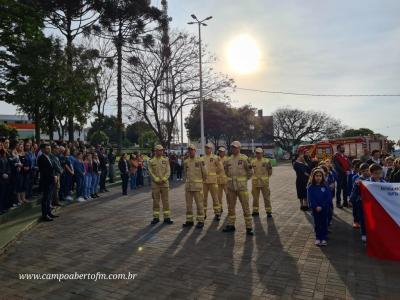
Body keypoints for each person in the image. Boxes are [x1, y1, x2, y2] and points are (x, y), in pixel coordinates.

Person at [222, 141, 254, 235]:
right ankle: (231, 225)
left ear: (239, 148)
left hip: (242, 188)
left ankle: (249, 227)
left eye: (235, 147)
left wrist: (244, 181)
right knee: (231, 207)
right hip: (231, 187)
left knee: (246, 207)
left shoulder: (244, 158)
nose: (233, 149)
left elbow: (250, 172)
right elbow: (226, 171)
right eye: (232, 147)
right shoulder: (228, 160)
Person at [182, 144, 207, 228]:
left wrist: (201, 182)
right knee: (188, 205)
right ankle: (189, 220)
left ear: (195, 151)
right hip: (188, 187)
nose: (190, 151)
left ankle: (201, 221)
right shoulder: (186, 161)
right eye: (189, 150)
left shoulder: (200, 160)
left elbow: (205, 173)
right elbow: (185, 173)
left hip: (197, 187)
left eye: (192, 150)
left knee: (199, 204)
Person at [148, 145, 172, 225]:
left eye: (161, 150)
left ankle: (167, 217)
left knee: (166, 201)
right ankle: (156, 217)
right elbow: (150, 172)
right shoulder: (151, 161)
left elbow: (168, 171)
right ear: (155, 151)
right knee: (156, 201)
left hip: (165, 184)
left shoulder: (166, 160)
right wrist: (156, 179)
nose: (160, 152)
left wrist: (164, 179)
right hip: (155, 184)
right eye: (158, 150)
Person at [307, 168, 331, 247]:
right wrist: (316, 206)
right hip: (315, 209)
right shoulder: (311, 187)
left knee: (324, 223)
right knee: (317, 223)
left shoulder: (325, 186)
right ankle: (318, 237)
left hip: (324, 208)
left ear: (322, 177)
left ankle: (323, 238)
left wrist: (322, 206)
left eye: (320, 176)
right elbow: (311, 198)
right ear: (313, 177)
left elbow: (328, 197)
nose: (318, 177)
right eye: (316, 176)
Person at [37, 144, 58, 221]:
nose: (49, 150)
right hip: (46, 181)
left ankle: (49, 213)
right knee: (45, 198)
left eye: (49, 148)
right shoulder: (41, 158)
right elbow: (44, 171)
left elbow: (52, 168)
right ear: (42, 149)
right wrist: (53, 176)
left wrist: (54, 175)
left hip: (51, 180)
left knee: (49, 198)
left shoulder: (49, 157)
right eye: (47, 148)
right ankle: (44, 215)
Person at [350, 163, 370, 243]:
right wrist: (351, 199)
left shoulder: (372, 180)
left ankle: (369, 232)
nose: (366, 172)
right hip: (360, 202)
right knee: (362, 218)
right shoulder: (358, 180)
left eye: (367, 170)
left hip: (370, 203)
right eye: (364, 171)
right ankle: (363, 234)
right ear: (360, 171)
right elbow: (354, 191)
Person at [202, 143, 223, 221]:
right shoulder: (202, 158)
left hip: (213, 181)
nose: (207, 149)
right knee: (203, 199)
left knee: (215, 198)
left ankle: (217, 213)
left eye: (208, 148)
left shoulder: (216, 157)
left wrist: (214, 174)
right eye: (206, 148)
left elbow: (220, 168)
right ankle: (203, 213)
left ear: (211, 149)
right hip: (204, 182)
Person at [251, 147, 273, 218]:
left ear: (262, 153)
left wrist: (266, 178)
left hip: (264, 183)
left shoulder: (267, 161)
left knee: (266, 197)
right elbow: (251, 171)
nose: (258, 154)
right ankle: (255, 211)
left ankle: (268, 211)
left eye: (259, 153)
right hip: (255, 183)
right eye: (257, 153)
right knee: (255, 198)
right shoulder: (253, 161)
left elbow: (270, 172)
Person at [332, 144, 352, 208]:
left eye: (343, 148)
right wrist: (345, 171)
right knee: (339, 189)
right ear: (338, 149)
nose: (343, 149)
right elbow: (337, 166)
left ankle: (345, 202)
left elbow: (349, 163)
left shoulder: (345, 156)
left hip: (346, 175)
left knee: (345, 189)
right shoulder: (335, 156)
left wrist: (349, 169)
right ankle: (338, 203)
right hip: (339, 175)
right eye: (342, 148)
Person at [217, 147, 228, 214]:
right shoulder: (216, 159)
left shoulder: (227, 159)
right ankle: (220, 208)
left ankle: (230, 207)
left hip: (226, 181)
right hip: (218, 181)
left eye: (222, 151)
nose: (221, 152)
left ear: (225, 152)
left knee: (228, 196)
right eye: (220, 151)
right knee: (218, 196)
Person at [0, 145, 11, 214]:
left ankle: (4, 207)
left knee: (4, 194)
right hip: (1, 179)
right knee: (1, 195)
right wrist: (2, 174)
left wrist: (7, 173)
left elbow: (8, 167)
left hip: (6, 179)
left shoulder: (6, 159)